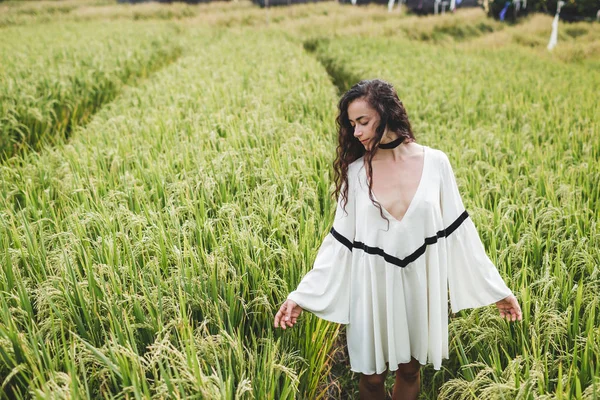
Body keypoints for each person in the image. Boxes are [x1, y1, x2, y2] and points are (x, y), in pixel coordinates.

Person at [273, 79, 522, 400]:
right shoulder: (356, 173)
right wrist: (301, 297)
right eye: (352, 125)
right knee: (373, 379)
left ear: (387, 113)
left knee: (410, 370)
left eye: (363, 121)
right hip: (371, 288)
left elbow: (461, 234)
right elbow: (338, 245)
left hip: (420, 285)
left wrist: (498, 290)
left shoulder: (436, 163)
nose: (357, 132)